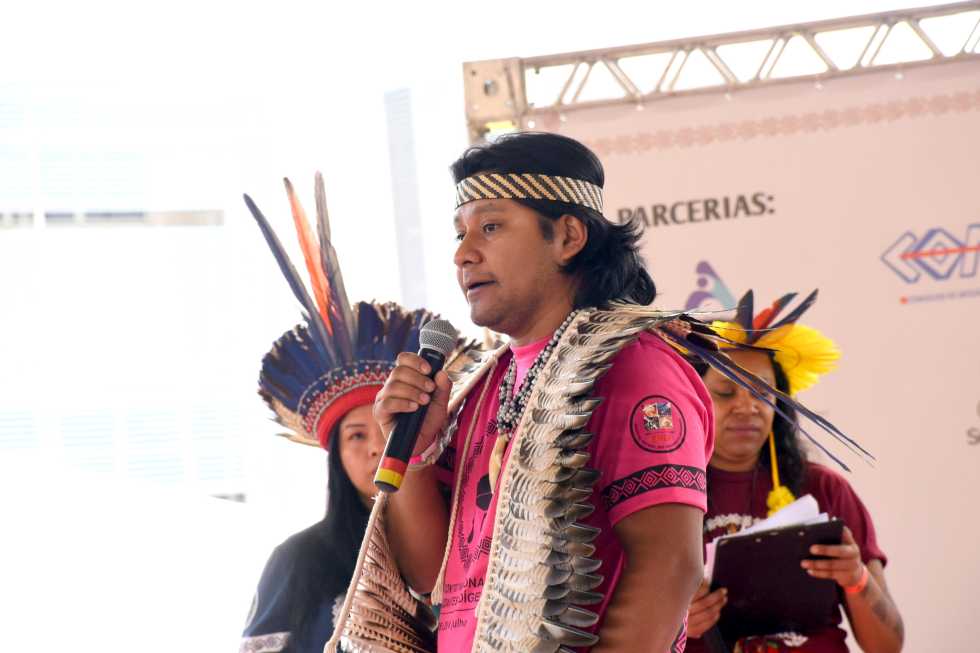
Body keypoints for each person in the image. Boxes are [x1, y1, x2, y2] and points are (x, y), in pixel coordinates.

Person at [362, 132, 715, 653]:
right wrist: (415, 451)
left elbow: (669, 564)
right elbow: (427, 573)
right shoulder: (483, 385)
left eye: (491, 226)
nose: (464, 254)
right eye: (460, 234)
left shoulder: (630, 365)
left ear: (568, 237)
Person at [238, 176, 451, 653]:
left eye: (387, 428)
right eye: (356, 436)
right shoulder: (298, 559)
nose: (378, 445)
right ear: (334, 456)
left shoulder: (461, 534)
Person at [684, 290, 904, 653]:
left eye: (762, 393)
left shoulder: (823, 487)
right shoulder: (665, 496)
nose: (747, 407)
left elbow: (887, 646)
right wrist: (676, 626)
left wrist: (857, 579)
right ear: (695, 400)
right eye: (726, 392)